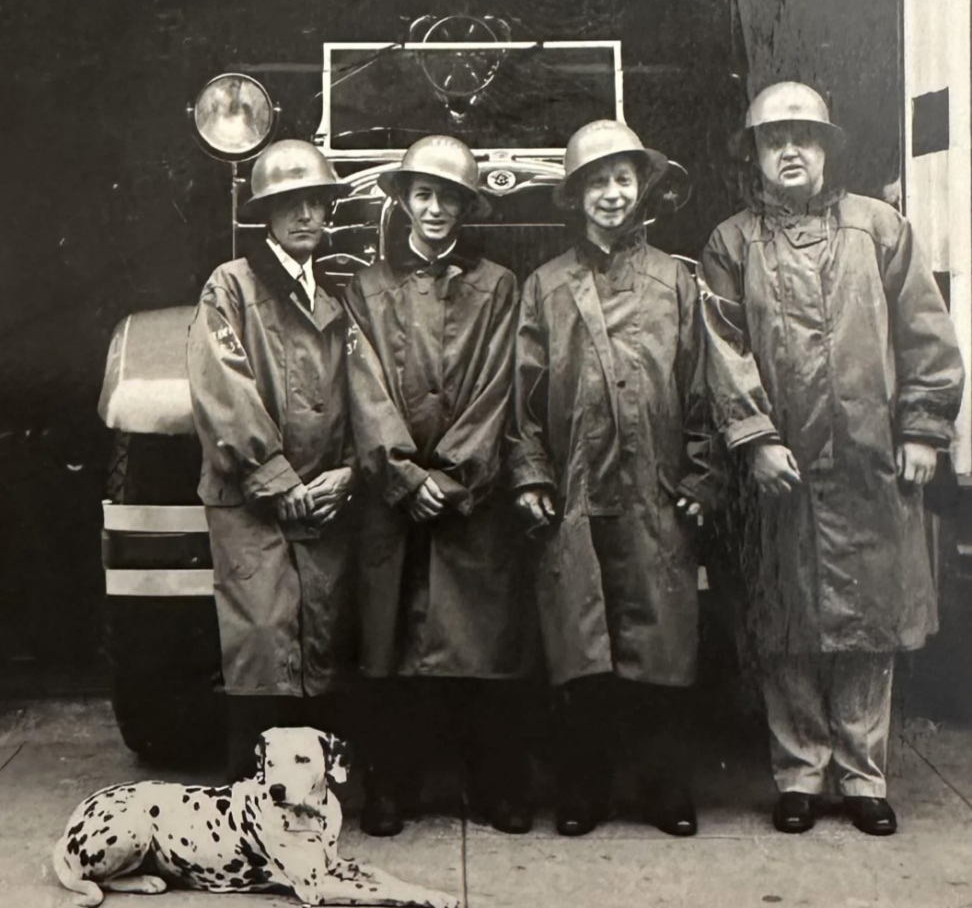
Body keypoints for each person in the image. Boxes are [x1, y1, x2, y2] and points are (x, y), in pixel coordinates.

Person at [700, 82, 965, 836]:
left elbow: (925, 333)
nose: (790, 150)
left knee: (868, 620)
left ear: (826, 149)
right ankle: (799, 772)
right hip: (778, 470)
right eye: (774, 138)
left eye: (804, 137)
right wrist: (753, 437)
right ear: (753, 154)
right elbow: (721, 346)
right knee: (786, 616)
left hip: (868, 461)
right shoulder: (732, 242)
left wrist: (922, 428)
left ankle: (862, 772)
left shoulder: (880, 229)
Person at [509, 120, 720, 837]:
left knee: (661, 643)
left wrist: (702, 474)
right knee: (582, 646)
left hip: (656, 487)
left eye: (622, 179)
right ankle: (585, 791)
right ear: (577, 197)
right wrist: (531, 475)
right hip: (575, 488)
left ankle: (663, 792)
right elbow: (524, 397)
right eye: (595, 181)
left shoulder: (676, 282)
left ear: (642, 188)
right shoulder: (545, 287)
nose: (610, 192)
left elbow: (704, 387)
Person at [344, 135, 534, 837]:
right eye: (423, 194)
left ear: (465, 206)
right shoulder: (366, 288)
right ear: (404, 200)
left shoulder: (498, 286)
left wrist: (451, 476)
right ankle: (390, 788)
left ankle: (493, 788)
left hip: (468, 498)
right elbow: (362, 386)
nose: (434, 208)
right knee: (392, 649)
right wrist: (400, 475)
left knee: (478, 646)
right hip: (391, 499)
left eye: (448, 197)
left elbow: (498, 387)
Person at [187, 139, 356, 780]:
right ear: (267, 213)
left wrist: (353, 471)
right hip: (253, 504)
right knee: (262, 645)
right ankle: (245, 812)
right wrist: (273, 476)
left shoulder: (336, 293)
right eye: (291, 204)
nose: (306, 215)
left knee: (318, 646)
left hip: (327, 500)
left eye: (316, 201)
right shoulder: (230, 286)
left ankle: (310, 811)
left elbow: (366, 394)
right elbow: (222, 386)